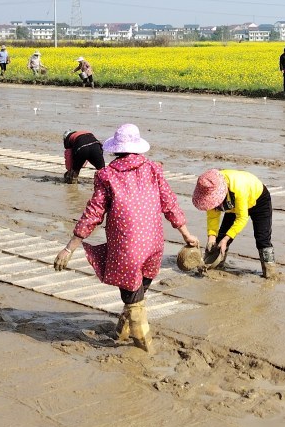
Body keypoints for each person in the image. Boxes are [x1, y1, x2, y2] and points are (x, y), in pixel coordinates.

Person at [54, 123, 199, 353]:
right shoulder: (153, 169)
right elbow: (169, 203)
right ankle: (122, 330)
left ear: (116, 149)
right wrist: (186, 234)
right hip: (154, 245)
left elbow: (94, 213)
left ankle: (145, 349)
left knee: (133, 298)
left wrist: (70, 247)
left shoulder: (107, 175)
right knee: (137, 294)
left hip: (126, 248)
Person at [193, 168, 277, 279]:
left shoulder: (238, 187)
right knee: (220, 238)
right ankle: (215, 267)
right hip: (233, 206)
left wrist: (227, 239)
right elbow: (213, 216)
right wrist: (211, 237)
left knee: (262, 238)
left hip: (259, 200)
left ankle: (270, 273)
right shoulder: (208, 188)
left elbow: (242, 218)